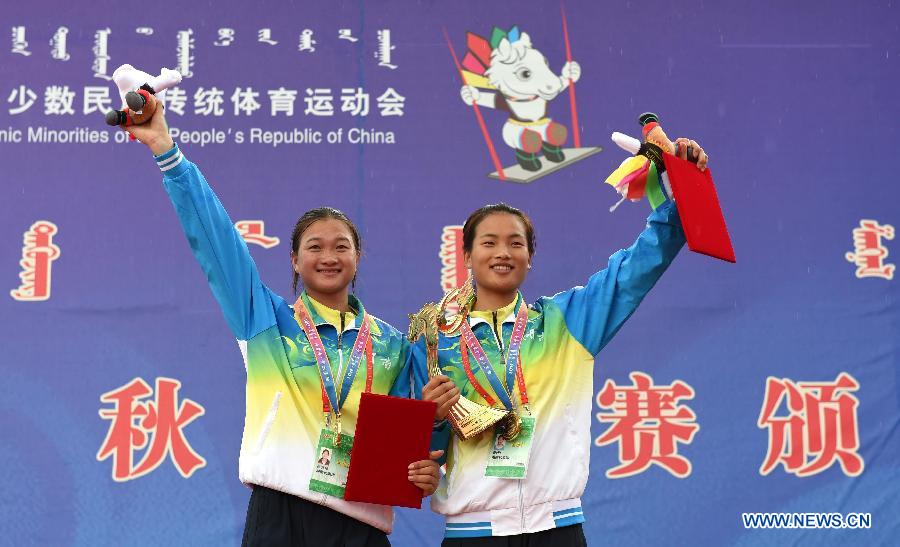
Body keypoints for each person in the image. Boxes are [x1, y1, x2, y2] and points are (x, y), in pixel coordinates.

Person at [125, 107, 441, 547]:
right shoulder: (265, 320)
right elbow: (217, 239)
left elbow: (416, 438)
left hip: (362, 524)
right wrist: (167, 152)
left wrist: (426, 468)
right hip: (281, 515)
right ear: (294, 259)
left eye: (341, 246)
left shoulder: (392, 345)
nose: (328, 256)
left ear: (358, 257)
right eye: (315, 246)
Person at [417, 140, 708, 546]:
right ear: (466, 254)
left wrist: (683, 187)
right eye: (488, 243)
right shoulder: (435, 341)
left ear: (530, 256)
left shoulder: (567, 321)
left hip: (557, 529)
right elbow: (420, 458)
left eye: (516, 243)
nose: (503, 253)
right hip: (472, 534)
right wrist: (432, 420)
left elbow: (636, 268)